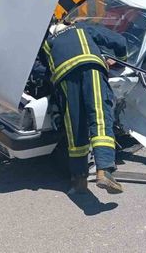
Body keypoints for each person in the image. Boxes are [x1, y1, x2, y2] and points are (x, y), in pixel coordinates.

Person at [40, 19, 128, 194]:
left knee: (75, 129)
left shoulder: (47, 45)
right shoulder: (80, 28)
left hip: (64, 80)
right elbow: (119, 41)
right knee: (100, 117)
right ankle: (104, 170)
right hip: (90, 69)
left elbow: (42, 70)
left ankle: (78, 179)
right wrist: (120, 61)